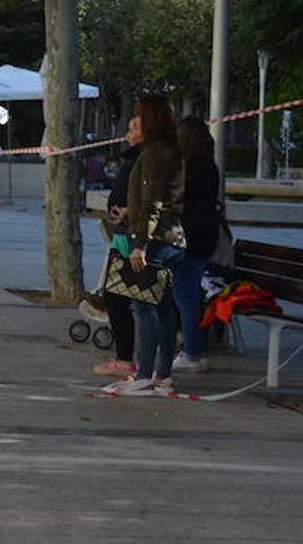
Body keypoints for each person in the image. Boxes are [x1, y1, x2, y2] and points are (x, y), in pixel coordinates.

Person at [105, 94, 184, 397]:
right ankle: (162, 374)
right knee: (163, 308)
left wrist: (140, 244)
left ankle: (144, 373)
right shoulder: (172, 151)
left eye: (139, 117)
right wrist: (130, 212)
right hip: (174, 236)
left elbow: (153, 202)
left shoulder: (152, 154)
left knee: (142, 305)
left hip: (156, 240)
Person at [92, 118, 141, 378]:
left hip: (134, 237)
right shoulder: (133, 159)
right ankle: (125, 357)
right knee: (114, 296)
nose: (127, 134)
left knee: (128, 300)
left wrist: (129, 212)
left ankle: (130, 359)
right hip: (124, 234)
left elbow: (154, 200)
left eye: (134, 129)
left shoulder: (146, 160)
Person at [171, 117, 220, 373]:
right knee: (188, 294)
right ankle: (193, 347)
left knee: (185, 295)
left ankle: (193, 351)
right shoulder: (209, 167)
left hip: (187, 238)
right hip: (203, 237)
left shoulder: (189, 170)